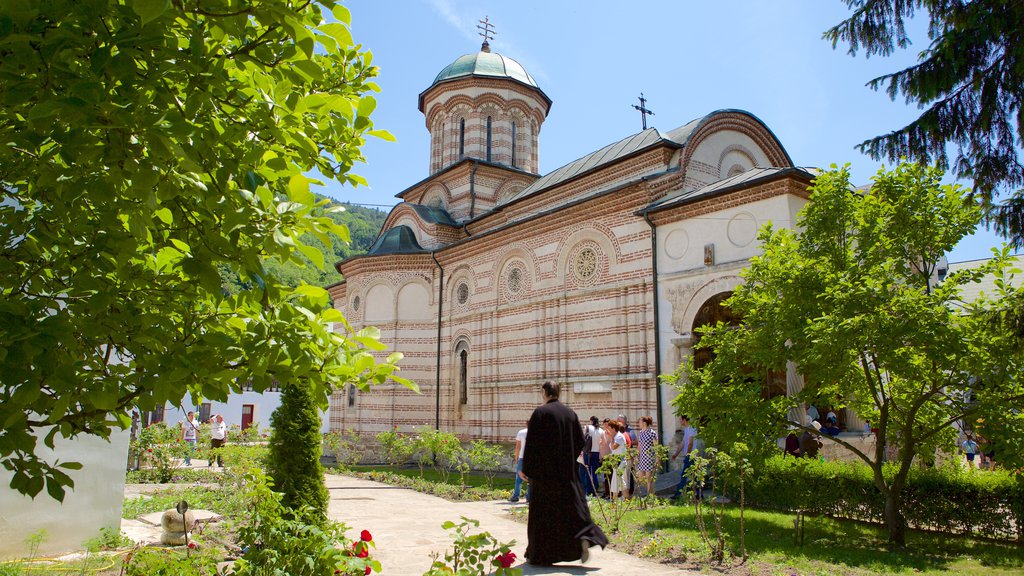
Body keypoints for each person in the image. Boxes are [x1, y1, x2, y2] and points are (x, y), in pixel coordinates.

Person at [521, 381, 608, 566]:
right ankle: (582, 539)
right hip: (567, 474)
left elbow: (532, 443)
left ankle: (541, 555)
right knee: (569, 512)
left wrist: (527, 469)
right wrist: (567, 459)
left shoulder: (540, 413)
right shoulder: (570, 413)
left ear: (544, 392)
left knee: (543, 516)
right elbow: (579, 442)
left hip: (544, 476)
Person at [670, 415, 697, 499]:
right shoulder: (686, 430)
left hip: (691, 456)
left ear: (684, 420)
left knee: (685, 476)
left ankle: (678, 494)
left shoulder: (692, 429)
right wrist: (676, 454)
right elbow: (683, 443)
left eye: (680, 420)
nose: (680, 422)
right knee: (694, 476)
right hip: (689, 456)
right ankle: (699, 495)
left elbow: (690, 443)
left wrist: (688, 455)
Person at [634, 416, 658, 497]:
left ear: (644, 423)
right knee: (641, 478)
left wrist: (657, 458)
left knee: (649, 478)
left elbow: (656, 446)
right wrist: (636, 456)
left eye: (640, 422)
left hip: (649, 457)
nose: (639, 424)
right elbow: (639, 445)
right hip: (642, 458)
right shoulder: (641, 433)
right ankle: (650, 493)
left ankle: (650, 496)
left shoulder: (652, 433)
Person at [579, 416, 602, 496]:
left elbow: (582, 440)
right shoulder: (601, 430)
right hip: (596, 452)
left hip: (587, 452)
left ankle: (586, 490)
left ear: (591, 421)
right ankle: (595, 489)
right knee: (594, 472)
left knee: (585, 471)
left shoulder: (587, 427)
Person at [607, 419, 628, 500]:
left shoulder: (619, 436)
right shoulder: (616, 436)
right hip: (616, 461)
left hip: (620, 461)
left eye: (609, 428)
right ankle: (626, 498)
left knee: (616, 480)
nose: (608, 430)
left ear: (613, 428)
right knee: (619, 481)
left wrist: (611, 438)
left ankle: (614, 500)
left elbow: (613, 447)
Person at [510, 422, 529, 503]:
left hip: (522, 457)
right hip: (532, 459)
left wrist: (516, 457)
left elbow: (518, 446)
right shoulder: (537, 432)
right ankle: (529, 497)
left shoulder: (521, 432)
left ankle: (516, 496)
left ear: (526, 424)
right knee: (530, 478)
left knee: (519, 477)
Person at [598, 417, 613, 498]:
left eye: (607, 425)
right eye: (604, 425)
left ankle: (610, 492)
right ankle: (606, 491)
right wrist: (600, 456)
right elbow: (600, 445)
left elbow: (609, 443)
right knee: (605, 476)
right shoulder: (603, 433)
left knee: (609, 475)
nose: (606, 426)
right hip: (603, 456)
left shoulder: (611, 433)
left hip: (610, 456)